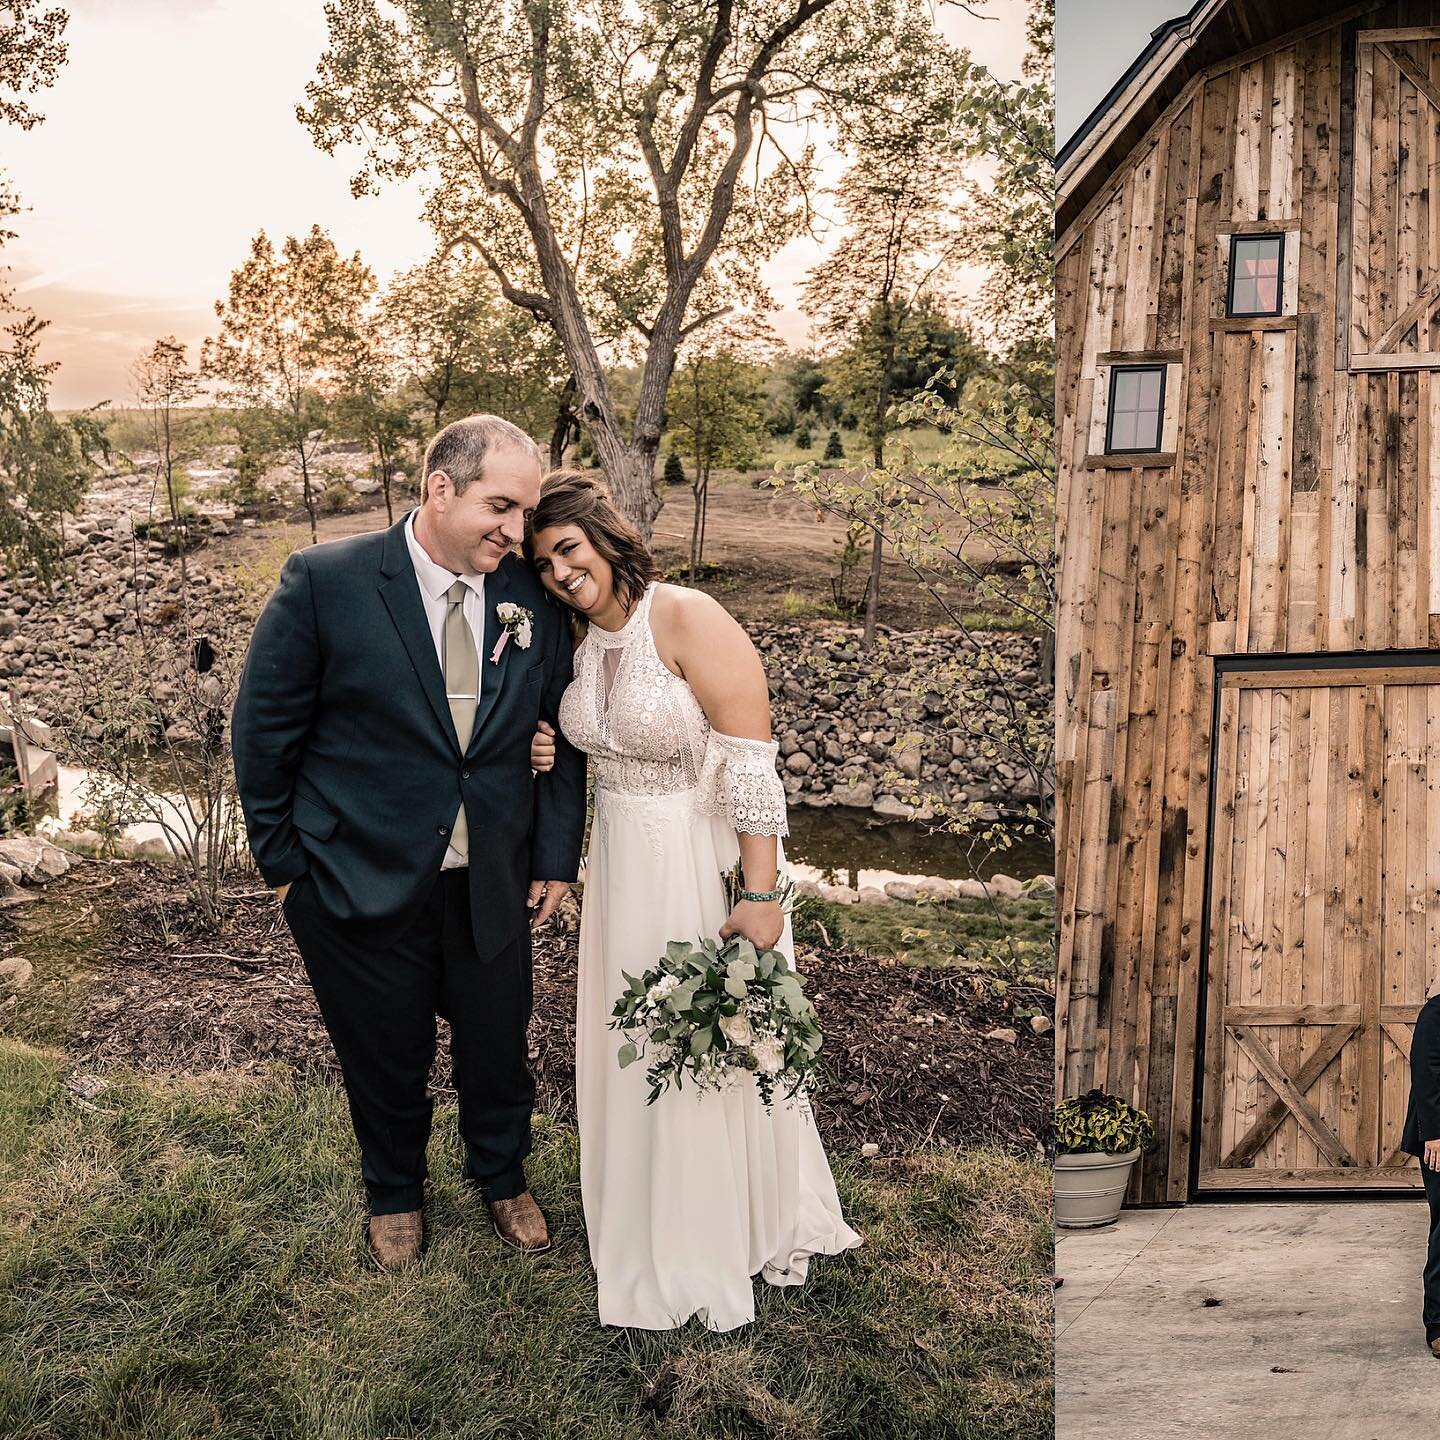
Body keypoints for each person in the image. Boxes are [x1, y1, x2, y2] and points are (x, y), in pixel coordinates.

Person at [231, 415, 587, 1271]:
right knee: (383, 1054)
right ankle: (394, 1192)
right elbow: (263, 733)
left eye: (525, 510)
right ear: (440, 489)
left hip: (491, 879)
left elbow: (564, 734)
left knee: (498, 1047)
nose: (515, 530)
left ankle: (502, 1178)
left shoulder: (526, 595)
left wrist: (552, 860)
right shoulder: (327, 581)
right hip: (356, 878)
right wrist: (286, 872)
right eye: (500, 506)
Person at [525, 469, 861, 1331]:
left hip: (694, 854)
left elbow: (751, 761)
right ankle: (643, 1212)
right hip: (621, 867)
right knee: (636, 1035)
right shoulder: (574, 638)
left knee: (706, 1029)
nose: (561, 572)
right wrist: (545, 748)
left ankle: (720, 1224)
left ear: (604, 535)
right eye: (544, 563)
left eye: (567, 549)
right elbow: (583, 744)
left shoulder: (685, 616)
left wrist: (760, 895)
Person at [1402, 982, 1440, 1356]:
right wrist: (1434, 1135)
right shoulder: (1436, 1014)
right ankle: (1438, 1325)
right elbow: (1427, 1077)